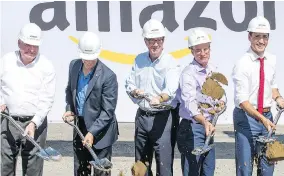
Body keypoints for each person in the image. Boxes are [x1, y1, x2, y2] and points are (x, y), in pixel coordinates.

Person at [231, 16, 284, 176]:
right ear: (249, 37)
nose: (261, 41)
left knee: (268, 165)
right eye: (257, 36)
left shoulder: (272, 59)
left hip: (267, 116)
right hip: (246, 118)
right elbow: (242, 101)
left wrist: (279, 99)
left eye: (265, 37)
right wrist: (263, 120)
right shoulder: (242, 63)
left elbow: (273, 86)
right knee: (245, 167)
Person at [125, 19, 180, 176]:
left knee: (163, 165)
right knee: (141, 165)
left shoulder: (170, 62)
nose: (154, 44)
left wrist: (160, 98)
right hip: (142, 116)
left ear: (163, 41)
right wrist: (134, 91)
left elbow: (171, 89)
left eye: (158, 40)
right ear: (145, 41)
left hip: (163, 118)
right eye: (151, 40)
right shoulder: (139, 60)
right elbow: (129, 83)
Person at [0, 23, 56, 176]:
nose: (32, 50)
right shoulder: (6, 61)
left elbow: (47, 98)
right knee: (5, 166)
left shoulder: (46, 66)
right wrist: (1, 101)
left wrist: (34, 123)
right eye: (28, 45)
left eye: (35, 46)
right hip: (8, 121)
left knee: (33, 168)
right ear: (19, 42)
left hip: (35, 124)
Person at [62, 31, 119, 176]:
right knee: (81, 170)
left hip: (101, 131)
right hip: (80, 126)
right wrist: (69, 109)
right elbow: (70, 89)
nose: (88, 62)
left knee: (101, 172)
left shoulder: (108, 76)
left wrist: (92, 132)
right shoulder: (74, 66)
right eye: (85, 58)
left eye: (92, 59)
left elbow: (108, 111)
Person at [176, 28, 226, 176]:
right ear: (191, 51)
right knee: (192, 171)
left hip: (208, 126)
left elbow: (220, 93)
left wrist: (221, 102)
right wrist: (204, 122)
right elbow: (189, 103)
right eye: (198, 50)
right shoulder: (188, 74)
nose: (202, 53)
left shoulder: (213, 69)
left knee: (208, 171)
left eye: (205, 49)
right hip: (192, 128)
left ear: (210, 49)